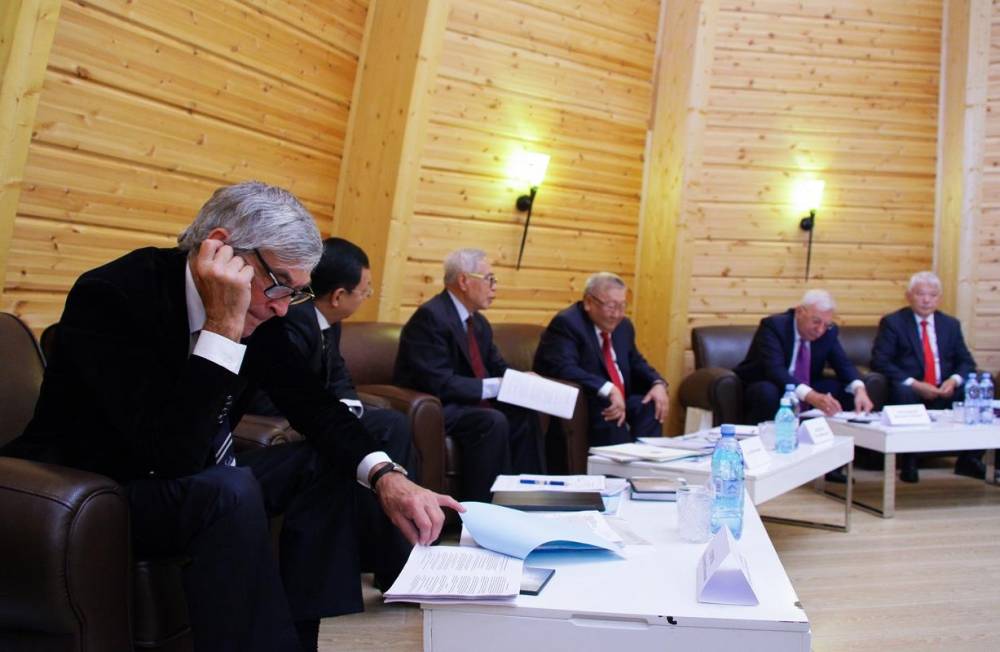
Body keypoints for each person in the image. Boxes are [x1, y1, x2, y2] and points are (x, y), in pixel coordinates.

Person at [1, 182, 460, 652]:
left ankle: (301, 637)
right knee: (229, 488)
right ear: (220, 248)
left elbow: (313, 404)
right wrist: (222, 326)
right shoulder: (113, 294)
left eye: (296, 293)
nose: (281, 307)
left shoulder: (264, 311)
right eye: (279, 283)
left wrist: (386, 476)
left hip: (194, 474)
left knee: (339, 455)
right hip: (107, 489)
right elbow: (170, 455)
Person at [247, 236, 418, 586]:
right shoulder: (290, 319)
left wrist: (348, 408)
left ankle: (390, 556)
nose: (366, 297)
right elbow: (274, 394)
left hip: (322, 413)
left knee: (391, 424)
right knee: (384, 429)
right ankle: (390, 561)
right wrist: (334, 416)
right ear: (339, 295)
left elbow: (338, 377)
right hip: (284, 419)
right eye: (365, 291)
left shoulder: (329, 322)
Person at [393, 248, 544, 502]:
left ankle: (528, 498)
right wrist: (497, 385)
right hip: (440, 405)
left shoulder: (479, 323)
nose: (494, 288)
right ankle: (484, 506)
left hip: (468, 402)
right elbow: (438, 382)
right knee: (491, 421)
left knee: (524, 413)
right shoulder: (430, 317)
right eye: (490, 279)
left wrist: (522, 381)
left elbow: (497, 366)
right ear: (464, 280)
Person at [871, 271, 983, 482]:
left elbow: (966, 361)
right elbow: (880, 361)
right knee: (903, 391)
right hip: (912, 387)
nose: (926, 300)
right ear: (909, 296)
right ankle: (909, 462)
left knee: (976, 388)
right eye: (920, 294)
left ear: (939, 298)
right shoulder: (893, 322)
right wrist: (915, 384)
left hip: (944, 387)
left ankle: (969, 460)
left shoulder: (950, 324)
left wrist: (954, 380)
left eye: (932, 295)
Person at [532, 272, 668, 446]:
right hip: (589, 401)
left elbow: (635, 361)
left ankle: (646, 460)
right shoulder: (567, 323)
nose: (617, 314)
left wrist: (657, 383)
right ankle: (619, 463)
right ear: (589, 302)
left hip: (620, 397)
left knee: (649, 405)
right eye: (611, 306)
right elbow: (563, 368)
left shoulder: (624, 326)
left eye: (622, 306)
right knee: (609, 408)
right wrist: (608, 388)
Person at [735, 289, 874, 425]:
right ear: (799, 312)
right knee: (767, 391)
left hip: (806, 385)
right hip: (770, 383)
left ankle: (842, 436)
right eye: (816, 321)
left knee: (846, 390)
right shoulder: (774, 326)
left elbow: (843, 364)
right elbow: (775, 370)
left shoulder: (828, 332)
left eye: (826, 325)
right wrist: (811, 395)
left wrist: (859, 389)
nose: (820, 330)